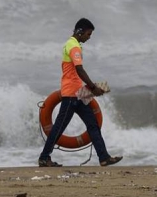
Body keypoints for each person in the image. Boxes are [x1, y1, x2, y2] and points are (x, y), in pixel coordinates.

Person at [38, 18, 123, 168]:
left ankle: (104, 158)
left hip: (79, 94)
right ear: (80, 32)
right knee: (58, 127)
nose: (89, 37)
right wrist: (93, 87)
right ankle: (44, 158)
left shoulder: (72, 45)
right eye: (88, 34)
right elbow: (79, 69)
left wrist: (88, 88)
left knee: (93, 125)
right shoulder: (73, 46)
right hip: (71, 95)